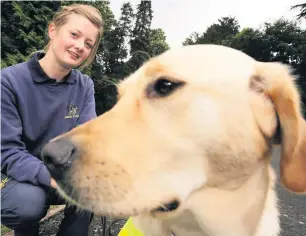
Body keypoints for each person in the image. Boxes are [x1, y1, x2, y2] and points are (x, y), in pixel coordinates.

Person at [1, 4, 104, 236]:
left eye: (88, 44)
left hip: (62, 174)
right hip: (18, 178)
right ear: (53, 30)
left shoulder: (84, 85)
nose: (80, 46)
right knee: (28, 204)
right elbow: (8, 152)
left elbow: (87, 138)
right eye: (74, 35)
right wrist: (56, 177)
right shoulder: (8, 82)